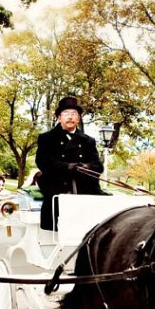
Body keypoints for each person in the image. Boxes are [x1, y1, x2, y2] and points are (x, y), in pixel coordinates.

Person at [34, 96, 104, 231]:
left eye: (74, 114)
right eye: (66, 114)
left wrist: (87, 167)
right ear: (59, 118)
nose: (70, 117)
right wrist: (68, 167)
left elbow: (98, 166)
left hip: (85, 197)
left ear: (78, 118)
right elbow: (43, 162)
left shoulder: (88, 141)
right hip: (58, 195)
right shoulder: (47, 138)